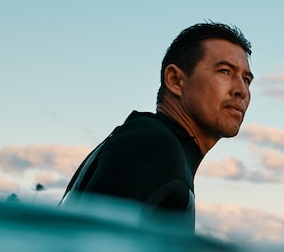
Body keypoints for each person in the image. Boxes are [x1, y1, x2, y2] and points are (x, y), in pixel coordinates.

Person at [61, 22, 253, 231]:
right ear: (175, 80)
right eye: (224, 71)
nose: (241, 90)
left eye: (246, 80)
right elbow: (92, 251)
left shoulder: (153, 142)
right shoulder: (151, 146)